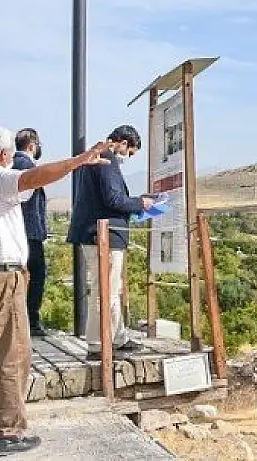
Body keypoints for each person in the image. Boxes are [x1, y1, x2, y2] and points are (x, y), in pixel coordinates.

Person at [0, 127, 110, 455]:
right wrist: (80, 160)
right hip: (0, 280)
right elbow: (36, 177)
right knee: (10, 357)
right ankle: (10, 433)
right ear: (4, 155)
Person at [66, 125, 151, 360]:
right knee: (104, 291)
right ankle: (96, 343)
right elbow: (114, 198)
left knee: (113, 290)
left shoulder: (97, 155)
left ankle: (117, 337)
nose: (128, 157)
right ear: (122, 143)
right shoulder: (106, 158)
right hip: (102, 235)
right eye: (130, 152)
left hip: (100, 234)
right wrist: (140, 203)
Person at [11, 129, 49, 337]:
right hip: (29, 232)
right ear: (32, 145)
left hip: (22, 230)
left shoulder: (13, 164)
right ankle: (30, 320)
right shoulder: (26, 166)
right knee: (36, 276)